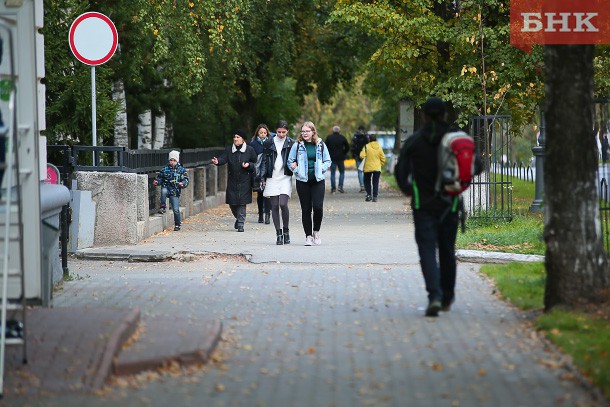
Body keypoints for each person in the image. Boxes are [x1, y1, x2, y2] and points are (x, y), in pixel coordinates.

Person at [399, 97, 462, 317]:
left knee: (427, 251)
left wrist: (409, 190)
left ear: (424, 116)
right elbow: (477, 165)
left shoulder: (415, 141)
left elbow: (400, 172)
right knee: (447, 250)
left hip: (423, 206)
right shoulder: (455, 140)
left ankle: (433, 295)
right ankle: (447, 297)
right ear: (445, 115)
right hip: (450, 204)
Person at [287, 121, 331, 246]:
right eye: (303, 131)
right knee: (306, 209)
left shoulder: (320, 144)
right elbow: (290, 161)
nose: (305, 133)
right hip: (303, 181)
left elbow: (328, 160)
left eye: (307, 131)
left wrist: (322, 167)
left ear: (313, 132)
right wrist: (295, 169)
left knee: (318, 207)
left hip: (317, 180)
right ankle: (308, 236)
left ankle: (316, 232)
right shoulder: (297, 146)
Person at [211, 129, 257, 232]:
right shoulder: (229, 149)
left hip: (245, 180)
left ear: (243, 139)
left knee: (242, 203)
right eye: (234, 137)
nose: (235, 139)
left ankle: (241, 224)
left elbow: (255, 163)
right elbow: (223, 158)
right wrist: (217, 161)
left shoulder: (249, 150)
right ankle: (238, 218)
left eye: (238, 137)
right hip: (232, 180)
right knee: (232, 203)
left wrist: (249, 165)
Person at [260, 120, 295, 245]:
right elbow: (264, 161)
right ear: (276, 131)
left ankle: (286, 231)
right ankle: (278, 234)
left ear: (287, 132)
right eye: (279, 132)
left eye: (283, 132)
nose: (281, 134)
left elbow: (295, 159)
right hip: (271, 177)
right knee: (274, 205)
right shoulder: (269, 142)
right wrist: (262, 178)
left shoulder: (292, 143)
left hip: (285, 176)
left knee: (283, 204)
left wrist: (294, 165)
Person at [153, 150, 190, 231]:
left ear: (177, 161)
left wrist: (182, 184)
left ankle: (177, 224)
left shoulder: (181, 170)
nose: (172, 162)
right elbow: (160, 178)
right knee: (163, 191)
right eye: (171, 160)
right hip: (166, 187)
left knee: (176, 209)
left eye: (174, 160)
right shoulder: (165, 169)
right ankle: (163, 206)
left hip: (175, 191)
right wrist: (157, 182)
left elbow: (186, 179)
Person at [251, 124, 272, 224]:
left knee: (268, 194)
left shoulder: (271, 143)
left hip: (269, 171)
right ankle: (260, 215)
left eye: (264, 133)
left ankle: (268, 214)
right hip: (258, 172)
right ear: (257, 133)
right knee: (260, 194)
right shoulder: (253, 144)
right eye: (261, 133)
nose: (263, 134)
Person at [359, 134, 386, 202]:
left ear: (369, 139)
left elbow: (361, 156)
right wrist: (380, 164)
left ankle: (369, 195)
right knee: (375, 182)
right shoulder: (379, 147)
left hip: (367, 167)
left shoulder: (366, 147)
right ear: (376, 139)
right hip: (377, 167)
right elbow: (383, 158)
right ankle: (375, 196)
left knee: (367, 181)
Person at [325, 125, 350, 193]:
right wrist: (344, 152)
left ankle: (333, 188)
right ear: (339, 131)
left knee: (332, 173)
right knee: (342, 172)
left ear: (333, 130)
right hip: (340, 157)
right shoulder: (342, 138)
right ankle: (340, 186)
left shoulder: (329, 138)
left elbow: (325, 147)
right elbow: (347, 147)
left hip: (332, 158)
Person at [351, 125, 369, 192]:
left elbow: (352, 145)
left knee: (359, 171)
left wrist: (353, 154)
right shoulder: (366, 136)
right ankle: (366, 185)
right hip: (365, 155)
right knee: (365, 171)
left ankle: (362, 186)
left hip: (357, 155)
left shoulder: (355, 136)